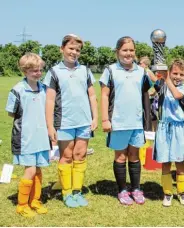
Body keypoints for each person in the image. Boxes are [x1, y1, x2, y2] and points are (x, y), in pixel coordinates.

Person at [99, 36, 156, 206]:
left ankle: (136, 188)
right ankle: (122, 190)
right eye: (125, 50)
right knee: (121, 156)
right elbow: (104, 95)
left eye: (131, 50)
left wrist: (155, 73)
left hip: (137, 122)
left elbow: (148, 91)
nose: (128, 53)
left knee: (135, 155)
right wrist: (105, 119)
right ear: (117, 52)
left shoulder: (141, 71)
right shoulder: (110, 70)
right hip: (118, 122)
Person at [43, 34, 98, 208]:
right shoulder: (53, 72)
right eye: (71, 48)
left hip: (84, 122)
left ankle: (77, 191)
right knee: (66, 156)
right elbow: (50, 100)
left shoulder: (85, 70)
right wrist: (50, 126)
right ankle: (66, 192)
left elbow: (92, 95)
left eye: (77, 50)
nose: (74, 52)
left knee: (80, 155)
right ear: (62, 49)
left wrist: (95, 117)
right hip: (64, 122)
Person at [7, 53, 50, 217]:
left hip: (41, 137)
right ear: (25, 71)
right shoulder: (17, 90)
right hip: (25, 138)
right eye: (34, 71)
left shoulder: (44, 89)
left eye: (40, 70)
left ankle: (35, 201)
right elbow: (12, 113)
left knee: (38, 171)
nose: (38, 73)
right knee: (30, 170)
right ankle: (22, 204)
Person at [153, 59, 184, 207]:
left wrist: (167, 77)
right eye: (174, 73)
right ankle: (167, 193)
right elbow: (152, 84)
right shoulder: (162, 86)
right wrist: (153, 70)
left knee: (180, 162)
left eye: (181, 74)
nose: (178, 76)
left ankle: (182, 193)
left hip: (178, 129)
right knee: (166, 162)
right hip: (163, 127)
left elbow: (176, 95)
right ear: (169, 72)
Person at [139, 56, 159, 132]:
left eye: (141, 63)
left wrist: (154, 92)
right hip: (142, 97)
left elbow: (157, 83)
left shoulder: (148, 72)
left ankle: (156, 131)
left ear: (146, 65)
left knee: (152, 115)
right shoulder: (140, 72)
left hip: (150, 98)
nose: (139, 65)